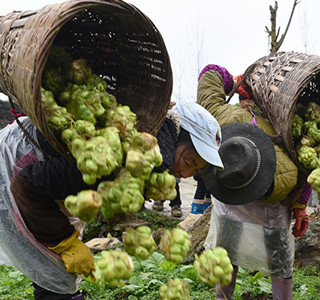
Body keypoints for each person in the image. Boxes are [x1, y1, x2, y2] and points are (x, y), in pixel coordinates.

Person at [0, 99, 223, 299]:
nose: (185, 175)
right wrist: (64, 241)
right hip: (13, 167)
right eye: (189, 162)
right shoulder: (109, 161)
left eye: (195, 171)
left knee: (58, 271)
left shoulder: (140, 155)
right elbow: (25, 186)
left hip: (39, 178)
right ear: (174, 140)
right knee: (56, 273)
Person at [197, 64, 311, 300]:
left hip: (248, 202)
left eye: (248, 97)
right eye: (242, 98)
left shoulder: (281, 125)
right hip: (252, 204)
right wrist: (299, 204)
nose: (246, 102)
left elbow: (210, 73)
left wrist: (232, 81)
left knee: (267, 257)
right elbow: (308, 162)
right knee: (237, 255)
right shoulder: (285, 123)